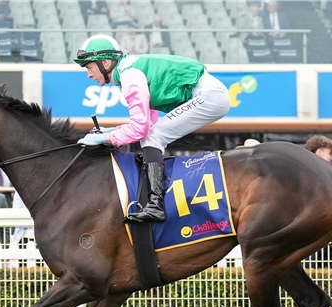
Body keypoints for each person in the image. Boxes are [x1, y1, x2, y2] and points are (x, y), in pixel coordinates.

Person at [74, 34, 230, 223]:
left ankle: (156, 205)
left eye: (89, 68)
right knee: (153, 135)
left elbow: (141, 131)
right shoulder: (131, 70)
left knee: (153, 137)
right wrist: (111, 131)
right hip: (211, 94)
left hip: (210, 95)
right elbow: (147, 125)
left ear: (105, 63)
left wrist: (105, 139)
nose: (89, 75)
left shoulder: (130, 76)